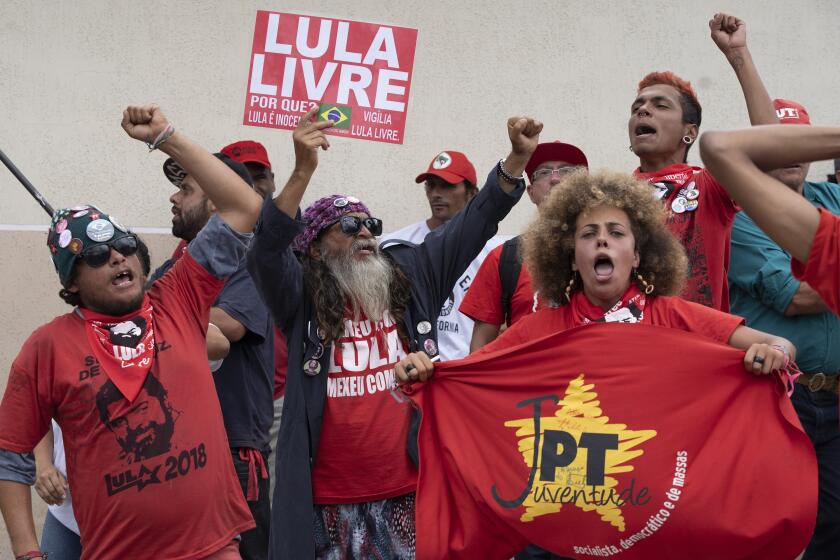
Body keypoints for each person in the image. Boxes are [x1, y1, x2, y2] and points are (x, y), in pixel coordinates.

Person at [247, 107, 533, 559]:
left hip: (407, 493)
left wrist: (515, 162)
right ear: (316, 249)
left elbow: (473, 224)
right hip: (327, 504)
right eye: (347, 226)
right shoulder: (298, 295)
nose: (365, 233)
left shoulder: (412, 273)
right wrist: (302, 170)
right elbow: (265, 249)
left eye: (370, 225)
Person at [0, 104, 262, 560]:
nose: (118, 257)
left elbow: (244, 205)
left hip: (215, 547)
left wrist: (166, 135)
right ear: (72, 282)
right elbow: (10, 456)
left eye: (124, 244)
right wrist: (27, 552)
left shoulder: (178, 296)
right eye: (97, 254)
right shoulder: (46, 346)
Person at [397, 170, 795, 386]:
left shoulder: (676, 314)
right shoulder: (539, 327)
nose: (602, 239)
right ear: (571, 259)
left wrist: (774, 352)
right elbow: (468, 373)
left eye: (616, 233)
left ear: (637, 254)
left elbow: (781, 344)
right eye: (588, 234)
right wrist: (425, 370)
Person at [726, 98, 840, 559]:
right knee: (766, 521)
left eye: (800, 141)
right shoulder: (738, 218)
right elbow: (796, 298)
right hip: (779, 394)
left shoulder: (830, 198)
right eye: (780, 142)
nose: (791, 154)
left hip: (834, 396)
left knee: (833, 521)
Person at [151, 148, 274, 560]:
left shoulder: (252, 256)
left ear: (218, 200)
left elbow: (231, 326)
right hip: (177, 450)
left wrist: (162, 317)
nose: (173, 198)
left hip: (232, 449)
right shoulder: (174, 267)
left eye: (185, 189)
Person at [628, 13, 777, 311]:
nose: (643, 111)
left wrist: (738, 55)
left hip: (699, 348)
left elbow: (769, 146)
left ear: (689, 132)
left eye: (660, 105)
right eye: (637, 107)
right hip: (632, 348)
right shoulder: (612, 194)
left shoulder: (708, 186)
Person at [380, 150, 510, 360]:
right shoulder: (397, 245)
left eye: (447, 186)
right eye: (431, 185)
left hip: (467, 370)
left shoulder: (496, 252)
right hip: (415, 369)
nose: (436, 194)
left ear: (473, 193)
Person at [460, 140, 588, 351]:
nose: (555, 179)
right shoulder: (504, 257)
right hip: (528, 381)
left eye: (567, 171)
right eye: (544, 172)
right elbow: (480, 352)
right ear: (531, 192)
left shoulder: (611, 251)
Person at [221, 140, 289, 500]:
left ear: (273, 181)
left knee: (269, 513)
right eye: (241, 176)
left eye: (258, 175)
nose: (252, 184)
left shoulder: (290, 236)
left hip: (278, 399)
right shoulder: (206, 243)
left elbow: (232, 325)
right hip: (226, 407)